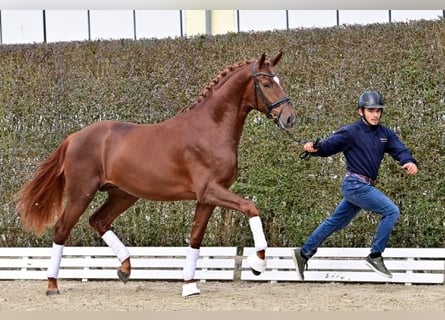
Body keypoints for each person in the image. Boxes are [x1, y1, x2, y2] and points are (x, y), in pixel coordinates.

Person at [291, 90, 418, 279]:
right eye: (371, 110)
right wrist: (314, 148)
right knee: (391, 211)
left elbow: (399, 150)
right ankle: (375, 256)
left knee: (337, 221)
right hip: (354, 184)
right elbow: (328, 146)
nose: (375, 114)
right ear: (361, 111)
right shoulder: (351, 132)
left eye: (378, 111)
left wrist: (409, 161)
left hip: (364, 187)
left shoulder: (385, 134)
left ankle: (303, 254)